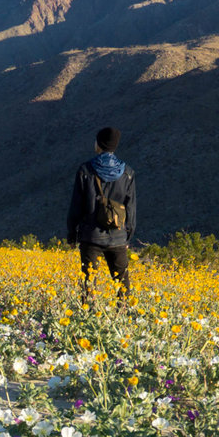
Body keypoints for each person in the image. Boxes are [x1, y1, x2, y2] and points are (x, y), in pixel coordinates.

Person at [67, 126, 137, 304]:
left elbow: (76, 206)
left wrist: (72, 232)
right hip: (118, 236)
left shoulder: (85, 170)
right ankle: (125, 319)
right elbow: (131, 208)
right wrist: (127, 235)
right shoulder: (127, 173)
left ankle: (88, 318)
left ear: (99, 144)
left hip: (91, 236)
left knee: (89, 283)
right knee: (122, 284)